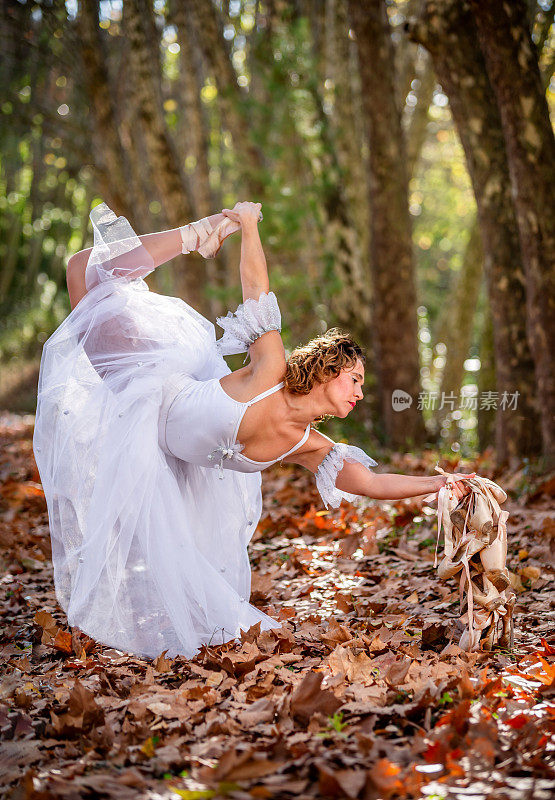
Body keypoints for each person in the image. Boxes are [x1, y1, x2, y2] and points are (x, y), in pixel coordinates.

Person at [33, 200, 472, 660]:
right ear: (328, 368)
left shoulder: (308, 445)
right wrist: (246, 226)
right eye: (355, 379)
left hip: (170, 458)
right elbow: (256, 288)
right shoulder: (270, 371)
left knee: (83, 271)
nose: (360, 392)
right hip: (151, 390)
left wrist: (442, 484)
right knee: (82, 267)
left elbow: (373, 483)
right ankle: (196, 233)